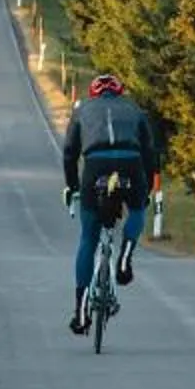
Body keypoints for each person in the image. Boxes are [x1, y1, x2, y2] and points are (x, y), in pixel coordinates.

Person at [62, 72, 157, 335]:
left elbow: (69, 153)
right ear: (119, 92)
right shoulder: (135, 110)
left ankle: (81, 313)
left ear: (93, 93)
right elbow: (150, 151)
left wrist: (73, 186)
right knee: (137, 209)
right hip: (131, 162)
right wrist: (147, 186)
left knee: (88, 239)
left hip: (95, 164)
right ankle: (126, 254)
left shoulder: (81, 110)